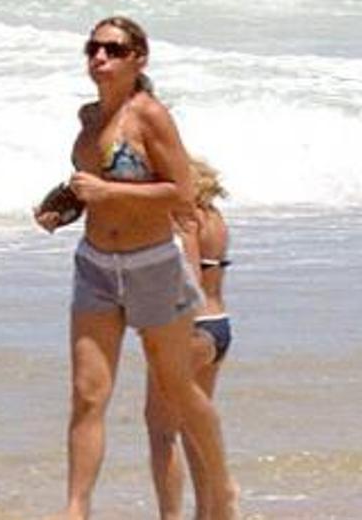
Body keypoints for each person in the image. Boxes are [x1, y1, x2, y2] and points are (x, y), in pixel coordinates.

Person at [34, 16, 237, 520]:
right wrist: (65, 206)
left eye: (113, 49)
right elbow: (88, 183)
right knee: (87, 394)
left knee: (176, 390)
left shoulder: (150, 116)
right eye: (93, 48)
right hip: (96, 265)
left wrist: (108, 192)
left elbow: (182, 192)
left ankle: (223, 491)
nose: (99, 58)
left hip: (152, 265)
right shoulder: (87, 119)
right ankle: (75, 509)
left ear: (138, 59)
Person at [146, 158, 233, 520]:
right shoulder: (215, 218)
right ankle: (208, 513)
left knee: (161, 429)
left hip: (188, 330)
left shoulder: (185, 219)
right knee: (194, 428)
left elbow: (189, 276)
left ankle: (171, 517)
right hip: (219, 326)